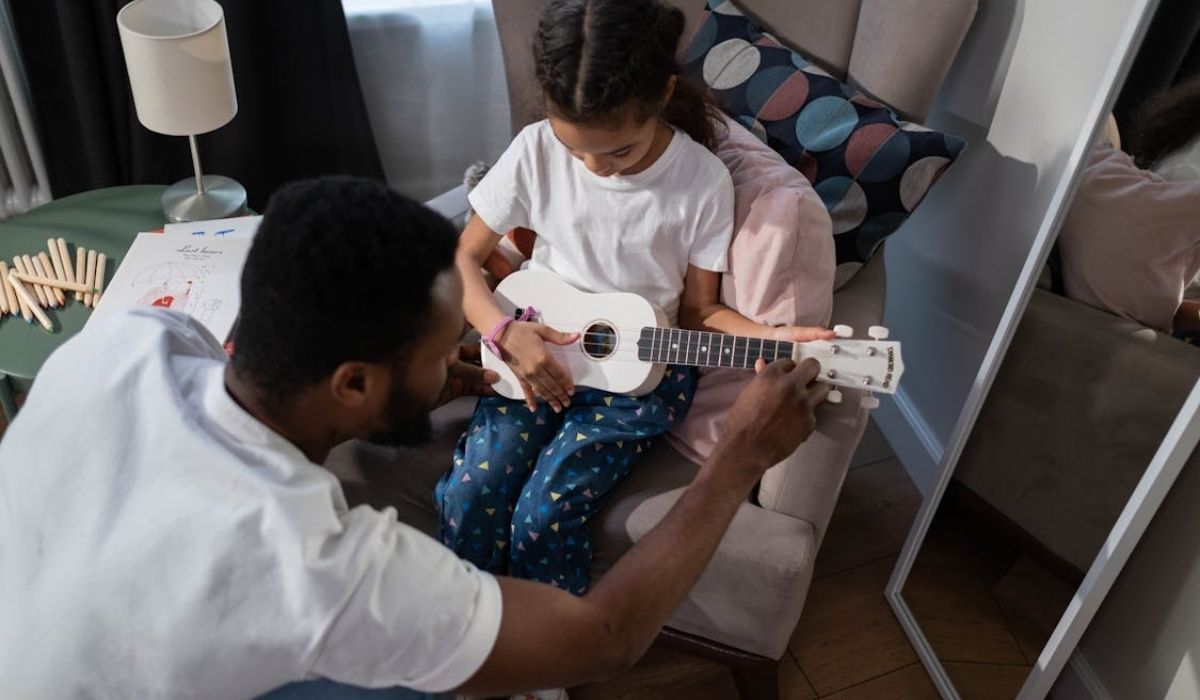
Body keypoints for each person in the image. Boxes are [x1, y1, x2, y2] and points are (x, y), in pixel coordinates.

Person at [0, 176, 830, 699]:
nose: (461, 368)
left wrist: (433, 374)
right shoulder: (318, 563)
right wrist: (738, 457)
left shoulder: (120, 343)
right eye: (444, 358)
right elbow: (604, 640)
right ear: (355, 384)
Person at [437, 0, 833, 615]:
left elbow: (701, 313)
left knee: (545, 513)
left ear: (662, 95)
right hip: (529, 351)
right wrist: (503, 331)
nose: (597, 168)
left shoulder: (702, 182)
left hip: (638, 380)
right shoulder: (536, 150)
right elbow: (462, 261)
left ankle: (548, 656)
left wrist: (773, 337)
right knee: (473, 490)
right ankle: (468, 632)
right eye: (579, 152)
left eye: (617, 152)